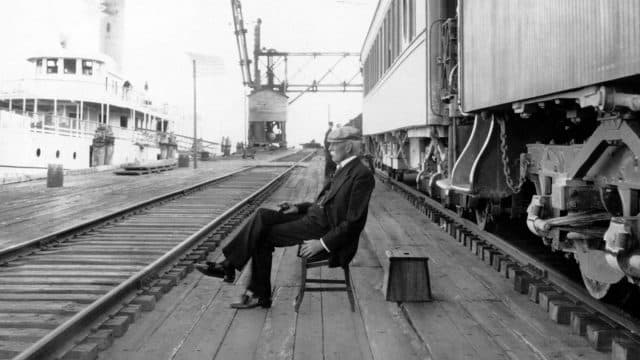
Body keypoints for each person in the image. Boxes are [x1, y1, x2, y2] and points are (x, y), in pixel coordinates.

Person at [196, 126, 375, 309]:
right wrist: (297, 208)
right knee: (262, 216)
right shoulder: (344, 168)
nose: (329, 149)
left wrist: (321, 243)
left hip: (323, 229)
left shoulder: (361, 175)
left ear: (348, 147)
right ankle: (232, 270)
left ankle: (248, 285)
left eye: (333, 145)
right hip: (313, 218)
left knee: (261, 235)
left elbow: (354, 223)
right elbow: (326, 203)